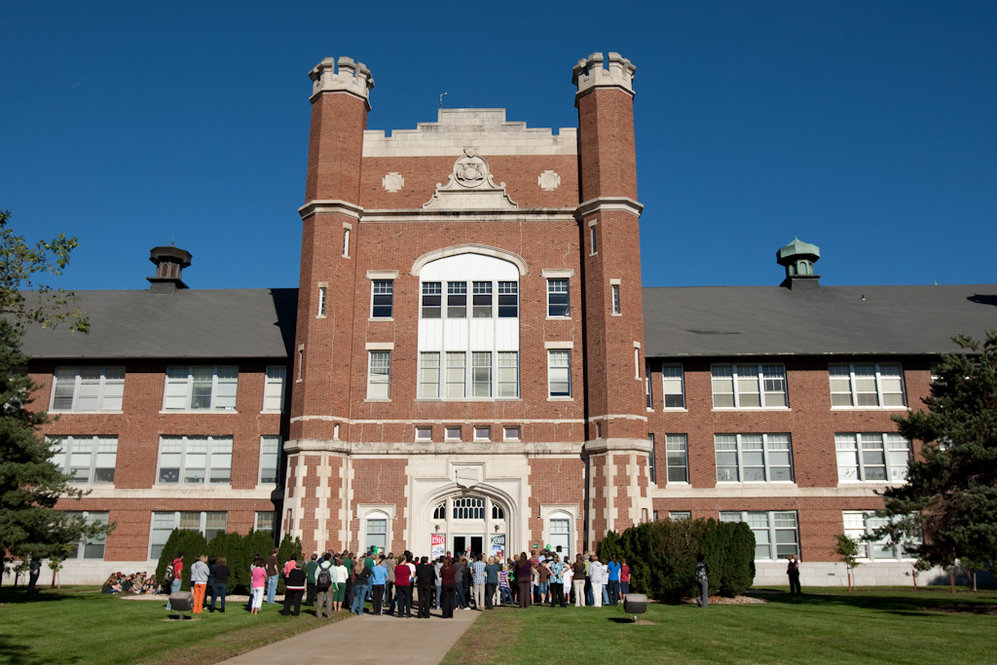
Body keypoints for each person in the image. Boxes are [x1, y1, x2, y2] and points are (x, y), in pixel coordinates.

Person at [315, 553, 335, 618]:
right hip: (329, 584)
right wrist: (335, 586)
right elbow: (334, 577)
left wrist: (316, 584)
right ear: (330, 558)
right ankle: (329, 614)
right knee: (329, 599)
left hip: (320, 584)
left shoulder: (319, 566)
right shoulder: (332, 566)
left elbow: (316, 576)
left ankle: (319, 614)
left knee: (320, 599)